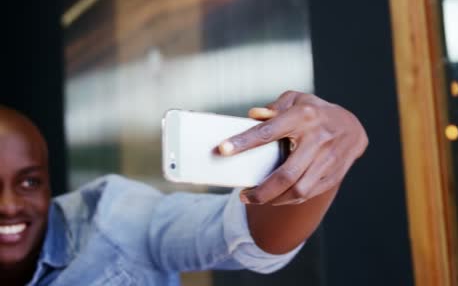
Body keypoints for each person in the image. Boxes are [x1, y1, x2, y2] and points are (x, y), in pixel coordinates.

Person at [0, 91, 368, 286]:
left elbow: (244, 238)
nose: (9, 205)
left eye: (29, 182)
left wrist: (327, 144)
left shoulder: (112, 219)